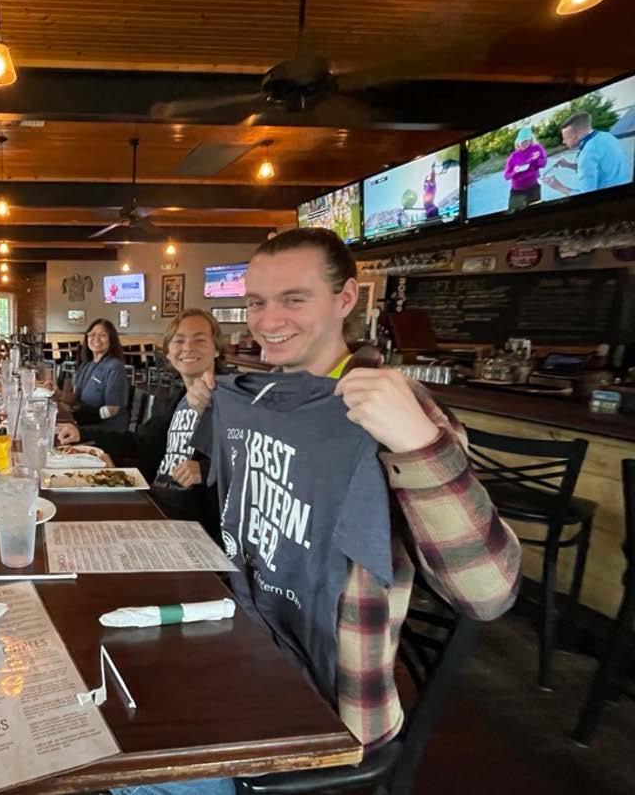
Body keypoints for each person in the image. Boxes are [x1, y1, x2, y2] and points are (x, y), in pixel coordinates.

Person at [115, 228, 521, 795]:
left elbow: (489, 592)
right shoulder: (256, 395)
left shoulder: (390, 410)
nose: (268, 318)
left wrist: (418, 446)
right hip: (237, 653)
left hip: (322, 716)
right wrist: (214, 420)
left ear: (346, 299)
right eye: (256, 302)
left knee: (122, 766)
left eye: (294, 298)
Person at [56, 309, 223, 542]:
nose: (187, 347)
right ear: (169, 350)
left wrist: (206, 469)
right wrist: (81, 433)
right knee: (64, 506)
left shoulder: (230, 402)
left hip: (188, 524)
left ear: (216, 349)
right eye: (179, 340)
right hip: (151, 499)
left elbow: (250, 466)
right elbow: (139, 442)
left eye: (200, 339)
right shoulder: (175, 399)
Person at [60, 318, 129, 431]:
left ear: (112, 339)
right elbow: (75, 399)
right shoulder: (86, 365)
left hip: (106, 431)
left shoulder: (114, 367)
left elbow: (113, 409)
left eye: (103, 335)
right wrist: (56, 393)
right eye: (92, 334)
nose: (96, 339)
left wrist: (77, 419)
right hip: (85, 424)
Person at [545, 111, 629, 197]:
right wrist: (569, 165)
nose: (563, 141)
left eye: (566, 138)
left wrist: (558, 186)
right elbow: (601, 166)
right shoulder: (606, 136)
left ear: (578, 135)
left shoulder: (586, 154)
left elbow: (586, 196)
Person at [504, 126, 547, 211]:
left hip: (533, 187)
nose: (525, 143)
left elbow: (543, 164)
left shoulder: (537, 148)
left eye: (527, 141)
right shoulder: (513, 156)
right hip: (517, 190)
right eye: (522, 141)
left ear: (531, 140)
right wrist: (514, 172)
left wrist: (537, 159)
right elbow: (506, 176)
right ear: (518, 142)